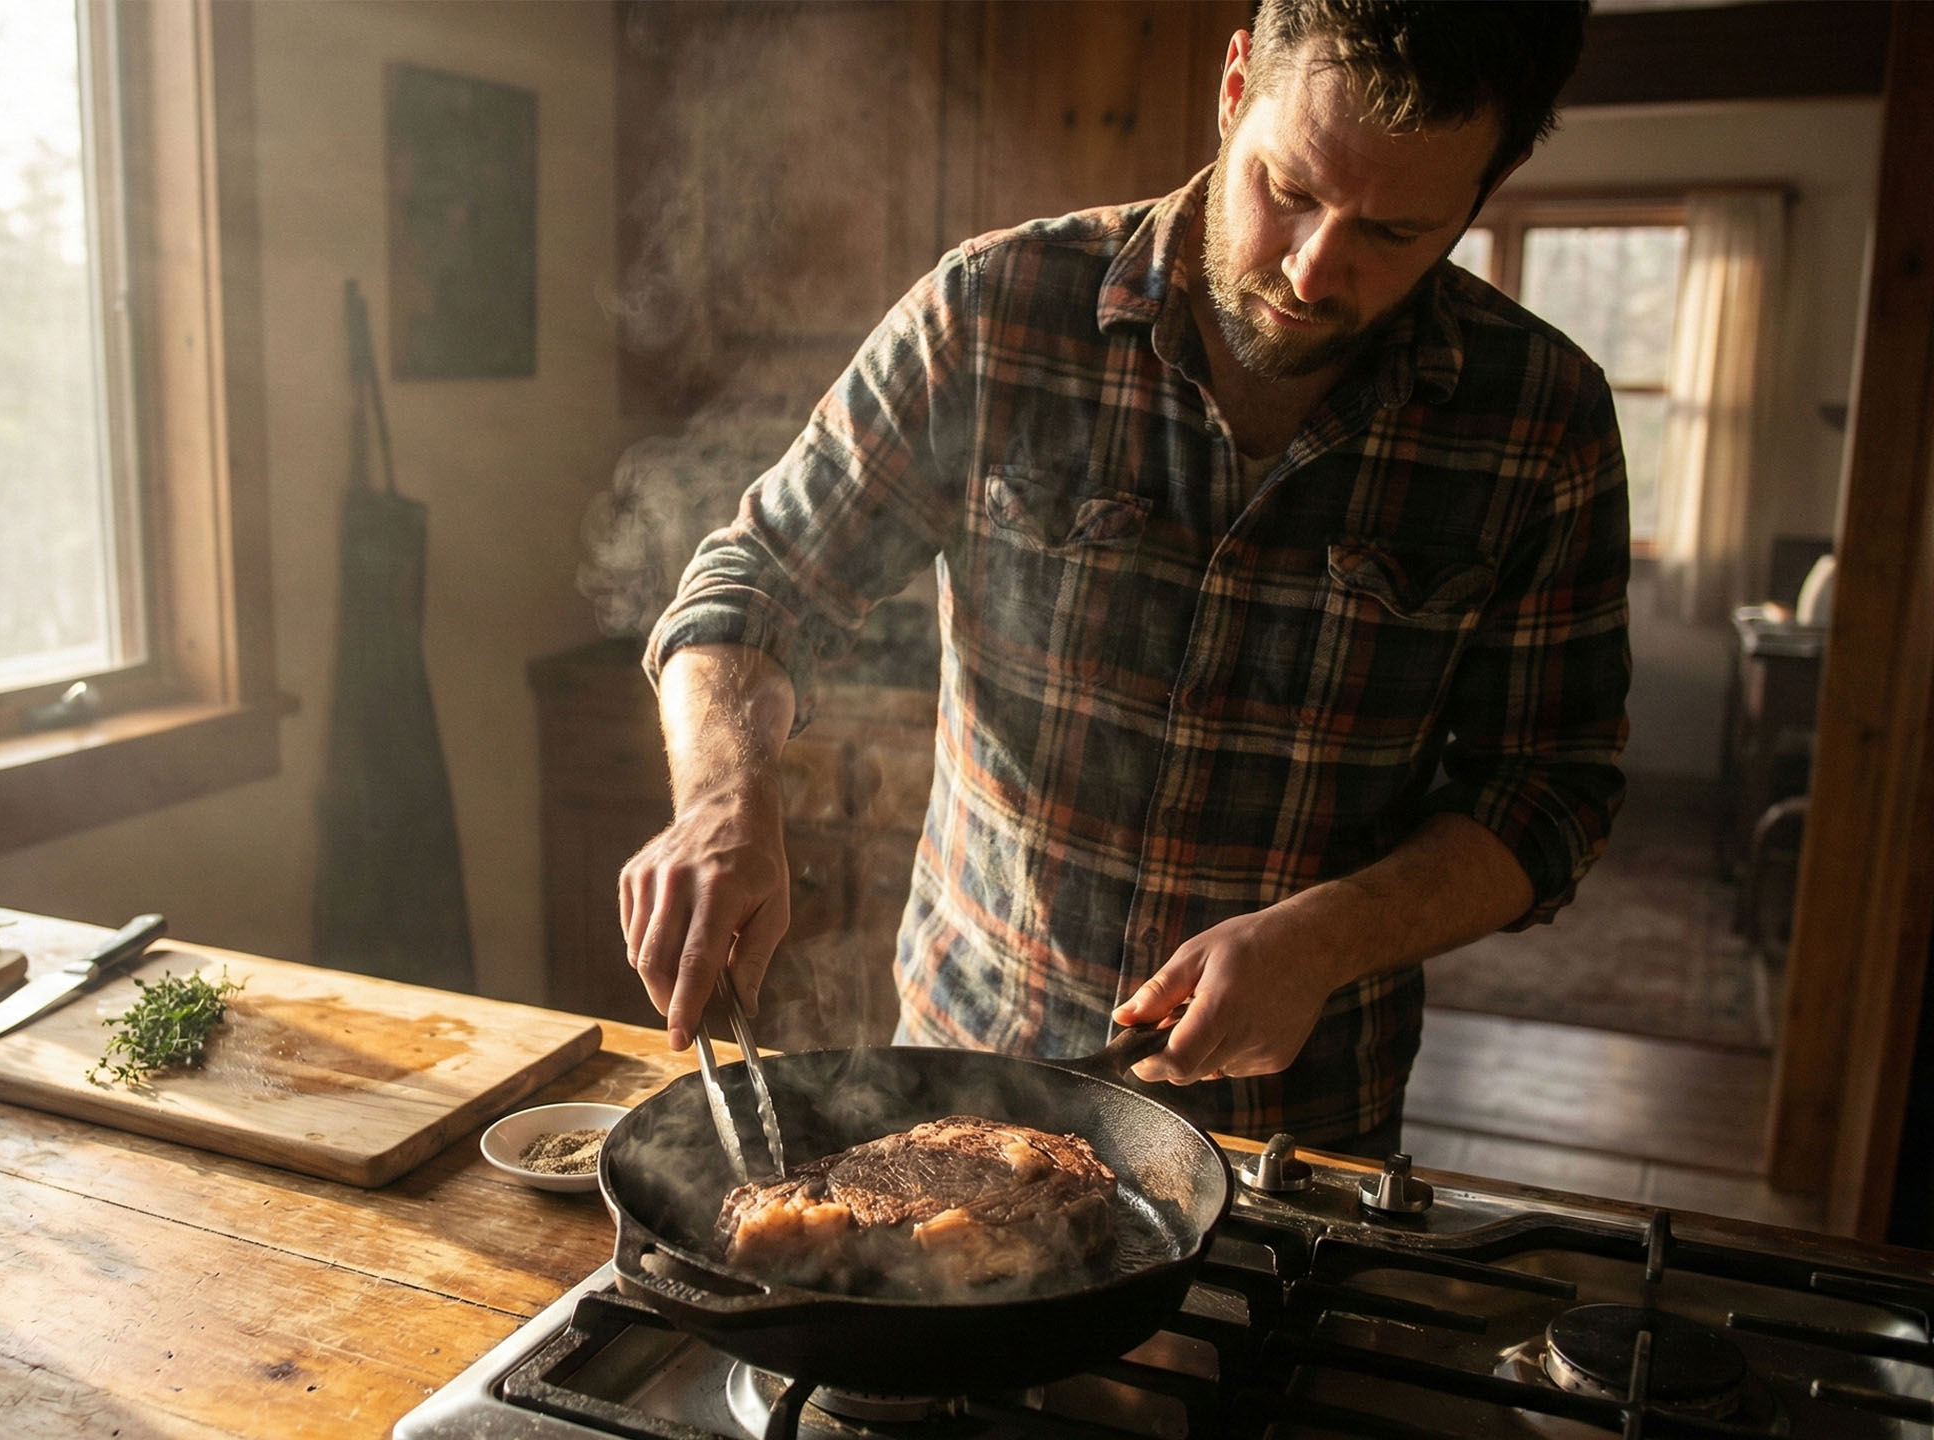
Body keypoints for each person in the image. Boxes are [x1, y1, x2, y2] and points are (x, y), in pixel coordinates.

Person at [618, 0, 1622, 1156]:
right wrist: (721, 800)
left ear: (1483, 192)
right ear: (1235, 81)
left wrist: (1330, 936)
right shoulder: (996, 313)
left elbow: (1553, 789)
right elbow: (755, 584)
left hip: (1291, 1134)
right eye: (1288, 189)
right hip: (966, 1079)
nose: (1312, 269)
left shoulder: (1542, 419)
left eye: (1394, 232)